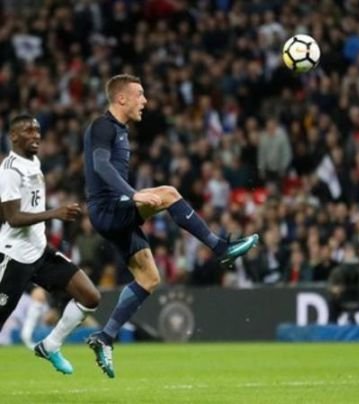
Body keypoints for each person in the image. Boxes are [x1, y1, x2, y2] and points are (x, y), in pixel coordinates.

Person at [83, 74, 259, 378]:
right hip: (107, 209)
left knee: (149, 279)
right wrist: (134, 194)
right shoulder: (102, 126)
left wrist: (131, 196)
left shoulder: (121, 131)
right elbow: (100, 165)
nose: (145, 101)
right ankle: (220, 248)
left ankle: (105, 337)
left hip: (116, 212)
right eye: (139, 94)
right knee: (169, 194)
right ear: (121, 98)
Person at [0, 115, 101, 374]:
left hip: (40, 251)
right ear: (13, 136)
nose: (36, 135)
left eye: (37, 130)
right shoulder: (10, 170)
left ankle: (51, 345)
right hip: (14, 258)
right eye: (28, 130)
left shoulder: (33, 162)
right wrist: (54, 213)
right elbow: (12, 218)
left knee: (90, 297)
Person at [327, 246, 359, 324]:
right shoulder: (337, 271)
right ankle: (332, 326)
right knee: (332, 302)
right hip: (342, 298)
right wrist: (334, 289)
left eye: (351, 253)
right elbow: (330, 286)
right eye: (347, 253)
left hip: (358, 298)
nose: (349, 255)